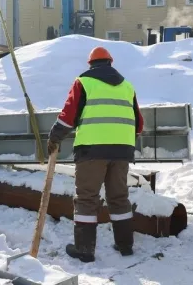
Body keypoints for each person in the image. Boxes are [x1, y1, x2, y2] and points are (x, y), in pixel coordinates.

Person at [46, 46, 144, 263]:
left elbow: (68, 116)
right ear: (110, 63)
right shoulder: (127, 86)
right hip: (122, 150)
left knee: (87, 199)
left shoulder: (84, 82)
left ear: (91, 64)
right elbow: (139, 123)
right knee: (119, 197)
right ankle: (125, 245)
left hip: (92, 150)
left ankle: (85, 249)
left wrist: (54, 137)